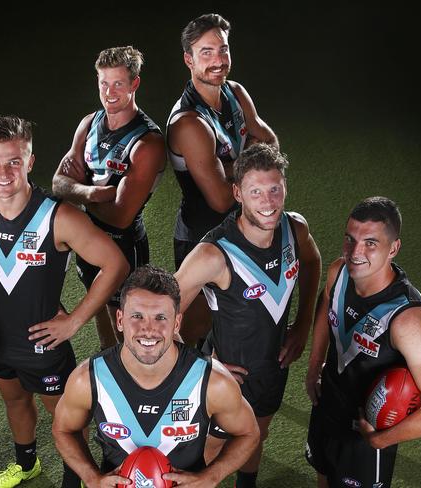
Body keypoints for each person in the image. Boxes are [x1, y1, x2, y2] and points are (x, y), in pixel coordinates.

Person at [0, 116, 129, 488]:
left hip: (45, 346)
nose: (3, 172)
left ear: (30, 161)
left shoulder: (58, 217)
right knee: (14, 402)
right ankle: (26, 466)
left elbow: (115, 264)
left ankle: (74, 482)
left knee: (68, 423)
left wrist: (74, 321)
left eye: (14, 160)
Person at [175, 143, 321, 488]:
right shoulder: (213, 254)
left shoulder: (294, 229)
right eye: (256, 191)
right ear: (238, 193)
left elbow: (312, 262)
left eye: (275, 189)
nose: (268, 202)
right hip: (227, 377)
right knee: (208, 455)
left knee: (256, 434)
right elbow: (157, 317)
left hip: (273, 366)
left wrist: (301, 326)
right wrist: (200, 366)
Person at [52, 265, 259, 488]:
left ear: (176, 322)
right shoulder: (89, 378)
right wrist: (91, 477)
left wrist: (212, 476)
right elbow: (63, 429)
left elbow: (248, 433)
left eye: (160, 317)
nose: (148, 329)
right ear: (120, 319)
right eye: (137, 316)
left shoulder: (212, 381)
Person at [305, 196, 421, 487]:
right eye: (350, 240)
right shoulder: (338, 273)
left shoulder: (407, 320)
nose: (355, 252)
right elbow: (327, 304)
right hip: (326, 405)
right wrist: (315, 366)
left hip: (364, 434)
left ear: (394, 248)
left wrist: (380, 439)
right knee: (323, 477)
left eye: (370, 243)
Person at [167, 13, 279, 349]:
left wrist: (228, 166)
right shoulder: (189, 123)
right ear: (189, 59)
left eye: (223, 50)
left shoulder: (235, 91)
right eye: (206, 52)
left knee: (238, 312)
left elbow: (271, 144)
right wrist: (250, 165)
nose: (218, 61)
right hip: (200, 235)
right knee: (194, 327)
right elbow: (219, 198)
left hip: (240, 228)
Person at [52, 46, 166, 349]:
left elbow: (121, 215)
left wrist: (78, 195)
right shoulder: (89, 123)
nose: (109, 92)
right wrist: (90, 193)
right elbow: (58, 183)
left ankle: (142, 385)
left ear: (134, 84)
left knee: (130, 328)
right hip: (86, 240)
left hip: (123, 245)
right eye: (104, 83)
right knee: (100, 307)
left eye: (118, 83)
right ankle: (109, 366)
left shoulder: (147, 142)